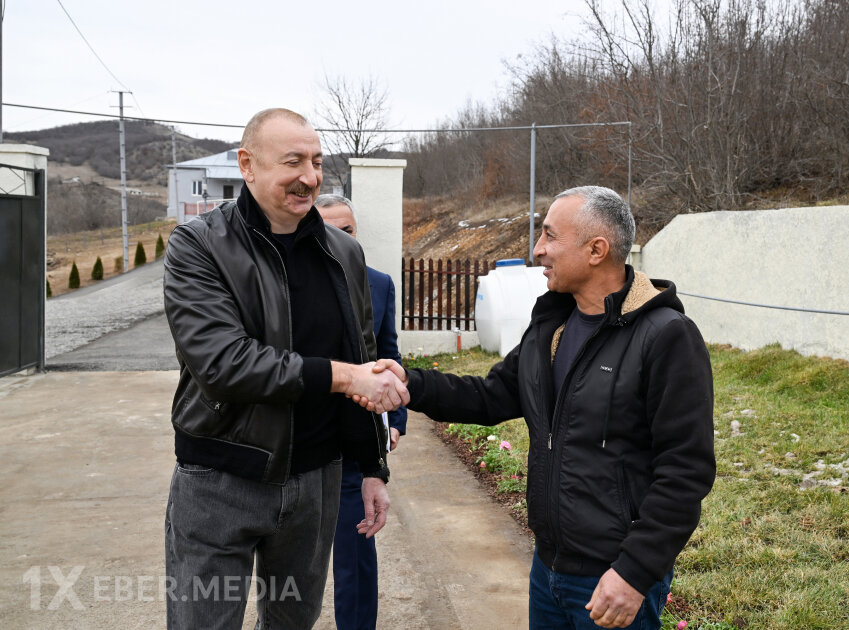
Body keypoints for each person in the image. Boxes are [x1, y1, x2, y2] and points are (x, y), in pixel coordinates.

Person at [365, 186, 715, 630]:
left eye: (550, 236)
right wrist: (409, 383)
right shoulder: (552, 323)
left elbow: (686, 471)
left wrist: (634, 572)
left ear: (596, 250)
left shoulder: (666, 336)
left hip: (612, 577)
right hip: (548, 569)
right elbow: (491, 395)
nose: (538, 249)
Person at [162, 108, 409, 630]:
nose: (309, 177)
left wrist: (371, 468)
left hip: (315, 483)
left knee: (293, 622)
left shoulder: (344, 253)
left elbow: (362, 356)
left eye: (316, 162)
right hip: (220, 481)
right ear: (247, 165)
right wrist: (343, 376)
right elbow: (223, 363)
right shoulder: (198, 246)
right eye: (293, 161)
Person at [315, 194, 407, 630]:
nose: (338, 238)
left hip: (356, 440)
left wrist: (395, 421)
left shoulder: (380, 284)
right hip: (302, 437)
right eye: (327, 229)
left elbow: (388, 354)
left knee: (355, 549)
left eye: (346, 230)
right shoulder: (288, 281)